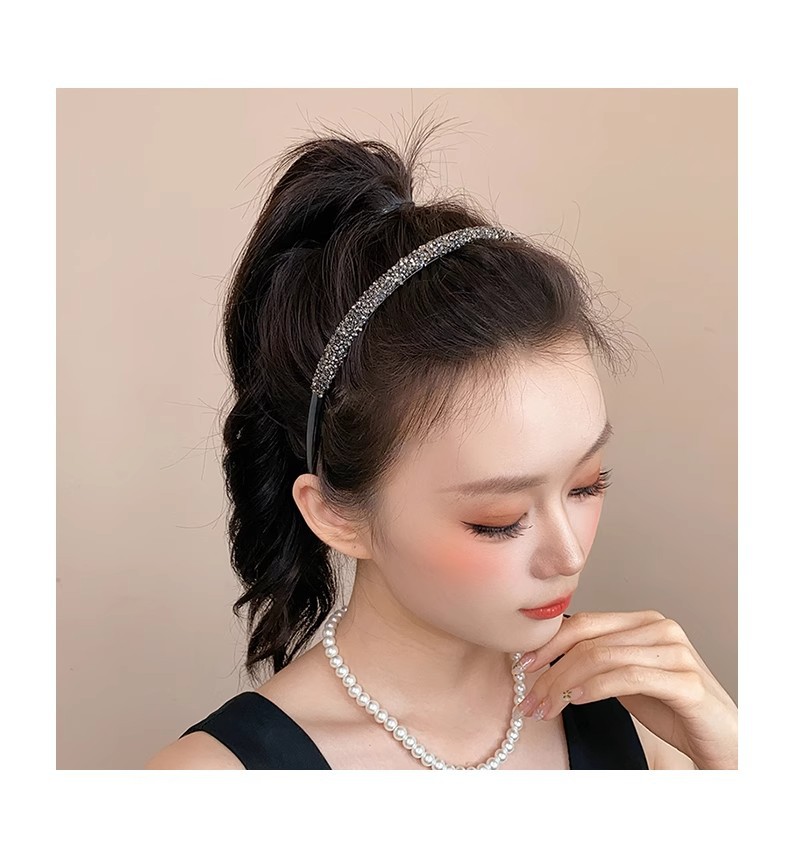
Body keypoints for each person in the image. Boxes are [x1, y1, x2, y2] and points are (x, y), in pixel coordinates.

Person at [145, 121, 738, 771]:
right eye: (498, 520)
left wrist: (735, 759)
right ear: (336, 514)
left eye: (587, 484)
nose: (568, 555)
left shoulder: (651, 727)